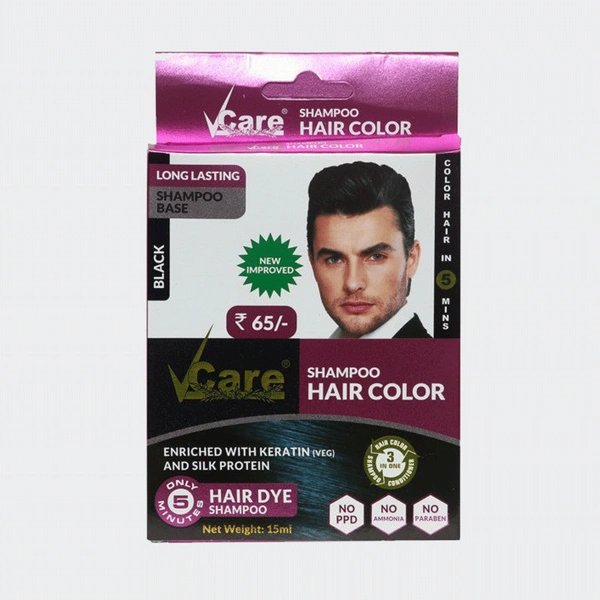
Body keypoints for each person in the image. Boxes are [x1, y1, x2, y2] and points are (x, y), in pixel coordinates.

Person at [307, 161, 431, 338]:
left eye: (376, 257)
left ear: (411, 259)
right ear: (312, 264)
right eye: (334, 259)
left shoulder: (432, 356)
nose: (352, 283)